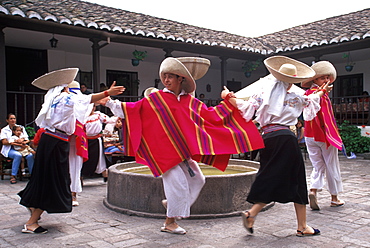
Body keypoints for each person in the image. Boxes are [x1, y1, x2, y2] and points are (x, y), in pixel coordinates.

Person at [102, 57, 264, 235]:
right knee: (178, 184)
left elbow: (211, 116)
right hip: (164, 153)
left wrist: (229, 102)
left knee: (198, 179)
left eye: (171, 76)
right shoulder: (156, 98)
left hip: (181, 152)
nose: (166, 80)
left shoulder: (190, 102)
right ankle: (169, 222)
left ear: (181, 79)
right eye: (165, 76)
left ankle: (171, 205)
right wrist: (109, 101)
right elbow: (132, 109)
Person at [227, 55, 331, 236]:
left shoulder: (263, 94)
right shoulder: (296, 96)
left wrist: (228, 97)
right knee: (297, 180)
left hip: (267, 138)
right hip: (285, 138)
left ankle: (252, 214)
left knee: (271, 176)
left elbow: (244, 106)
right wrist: (323, 91)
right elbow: (312, 100)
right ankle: (302, 226)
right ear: (292, 82)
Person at [18, 68, 124, 234]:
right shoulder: (65, 98)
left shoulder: (53, 98)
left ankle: (32, 205)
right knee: (53, 180)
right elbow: (86, 99)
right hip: (56, 142)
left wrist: (102, 96)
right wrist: (106, 92)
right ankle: (31, 222)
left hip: (49, 140)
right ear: (65, 87)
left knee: (44, 177)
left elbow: (83, 102)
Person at [301, 61, 345, 210]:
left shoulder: (306, 94)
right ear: (314, 80)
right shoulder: (320, 95)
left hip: (309, 135)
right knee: (331, 165)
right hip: (323, 136)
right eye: (322, 78)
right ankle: (334, 197)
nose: (326, 80)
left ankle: (313, 189)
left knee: (317, 165)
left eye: (327, 77)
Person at [81, 104, 112, 182]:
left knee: (100, 159)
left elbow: (110, 121)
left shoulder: (98, 115)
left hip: (96, 140)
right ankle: (80, 177)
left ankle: (106, 175)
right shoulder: (82, 116)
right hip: (85, 141)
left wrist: (108, 129)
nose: (92, 108)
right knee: (83, 159)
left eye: (93, 107)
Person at [1, 114, 34, 184]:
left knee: (30, 156)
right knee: (18, 155)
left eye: (14, 118)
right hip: (10, 149)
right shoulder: (4, 130)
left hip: (22, 148)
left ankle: (33, 175)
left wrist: (22, 141)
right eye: (11, 119)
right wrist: (14, 142)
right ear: (7, 120)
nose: (13, 120)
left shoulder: (20, 127)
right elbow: (4, 142)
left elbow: (26, 138)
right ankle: (13, 176)